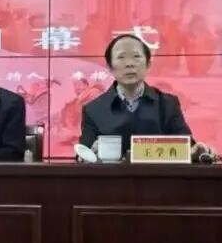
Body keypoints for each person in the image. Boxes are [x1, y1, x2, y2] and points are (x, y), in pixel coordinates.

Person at [79, 33, 214, 160]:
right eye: (121, 57)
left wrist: (199, 151)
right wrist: (91, 154)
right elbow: (82, 156)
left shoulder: (167, 104)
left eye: (136, 56)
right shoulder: (93, 110)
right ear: (110, 67)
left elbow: (186, 148)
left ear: (148, 64)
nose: (129, 64)